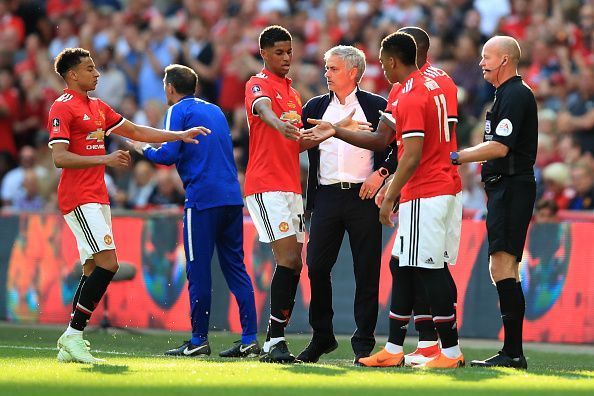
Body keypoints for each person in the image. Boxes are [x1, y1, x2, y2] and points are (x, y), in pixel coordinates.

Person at [306, 31, 464, 369]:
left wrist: (389, 193)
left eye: (382, 61)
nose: (381, 68)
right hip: (444, 185)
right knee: (403, 265)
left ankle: (448, 352)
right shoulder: (440, 80)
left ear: (393, 60)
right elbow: (382, 138)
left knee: (427, 268)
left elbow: (410, 153)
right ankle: (411, 345)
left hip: (425, 188)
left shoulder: (409, 93)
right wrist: (336, 130)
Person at [49, 48, 207, 364]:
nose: (97, 73)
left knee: (93, 268)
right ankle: (74, 335)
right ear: (72, 75)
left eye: (96, 68)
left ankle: (71, 338)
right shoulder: (62, 107)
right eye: (89, 68)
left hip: (96, 197)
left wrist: (178, 134)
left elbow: (134, 131)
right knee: (109, 264)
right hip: (79, 197)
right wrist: (105, 158)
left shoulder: (96, 106)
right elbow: (59, 157)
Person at [130, 64, 260, 358]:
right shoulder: (215, 110)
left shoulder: (177, 110)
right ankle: (250, 338)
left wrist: (141, 148)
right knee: (236, 269)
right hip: (231, 198)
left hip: (202, 200)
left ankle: (199, 339)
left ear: (170, 88)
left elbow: (167, 155)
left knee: (198, 270)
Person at [295, 45, 394, 365]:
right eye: (326, 68)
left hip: (363, 196)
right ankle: (321, 335)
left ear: (353, 72)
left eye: (333, 68)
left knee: (366, 270)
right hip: (326, 195)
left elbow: (398, 146)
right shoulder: (315, 105)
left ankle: (363, 343)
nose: (326, 73)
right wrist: (333, 132)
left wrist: (380, 174)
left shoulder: (377, 105)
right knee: (317, 266)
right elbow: (297, 143)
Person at [244, 25, 335, 363]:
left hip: (290, 188)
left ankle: (273, 340)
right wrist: (275, 122)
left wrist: (330, 132)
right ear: (264, 53)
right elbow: (262, 108)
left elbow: (296, 142)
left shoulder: (294, 94)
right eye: (279, 52)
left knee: (294, 264)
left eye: (289, 52)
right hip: (265, 186)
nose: (286, 58)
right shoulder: (258, 83)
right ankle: (274, 341)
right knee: (288, 259)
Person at [450, 36, 537, 369]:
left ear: (504, 60)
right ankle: (512, 350)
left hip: (512, 187)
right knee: (503, 266)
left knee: (503, 265)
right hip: (504, 188)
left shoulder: (516, 94)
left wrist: (456, 156)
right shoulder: (505, 95)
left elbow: (500, 147)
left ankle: (513, 352)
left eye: (487, 57)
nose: (481, 62)